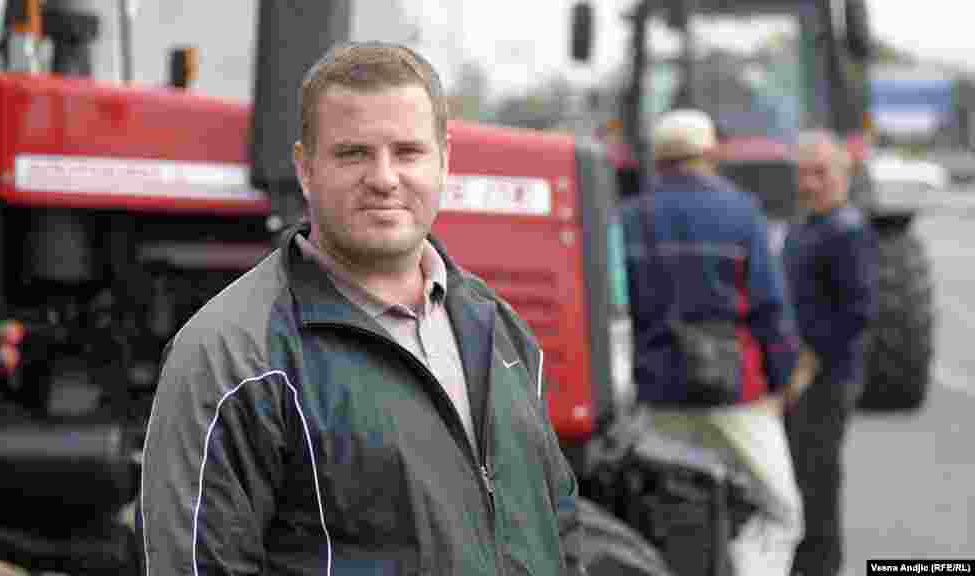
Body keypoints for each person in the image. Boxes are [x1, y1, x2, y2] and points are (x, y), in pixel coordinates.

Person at [138, 41, 583, 576]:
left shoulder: (500, 332)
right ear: (305, 169)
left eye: (408, 152)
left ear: (444, 160)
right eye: (353, 154)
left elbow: (557, 530)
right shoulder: (232, 358)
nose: (384, 177)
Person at [618, 108, 805, 576]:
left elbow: (619, 310)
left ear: (658, 159)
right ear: (710, 154)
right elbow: (768, 306)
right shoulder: (742, 213)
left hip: (658, 392)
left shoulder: (629, 218)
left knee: (666, 510)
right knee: (780, 512)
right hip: (735, 392)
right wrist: (782, 382)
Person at [783, 129, 878, 576]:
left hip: (828, 376)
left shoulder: (847, 231)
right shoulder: (805, 226)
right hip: (800, 373)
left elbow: (858, 313)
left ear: (844, 175)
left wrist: (811, 360)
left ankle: (820, 567)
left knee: (817, 477)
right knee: (799, 474)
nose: (810, 184)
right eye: (803, 174)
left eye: (820, 173)